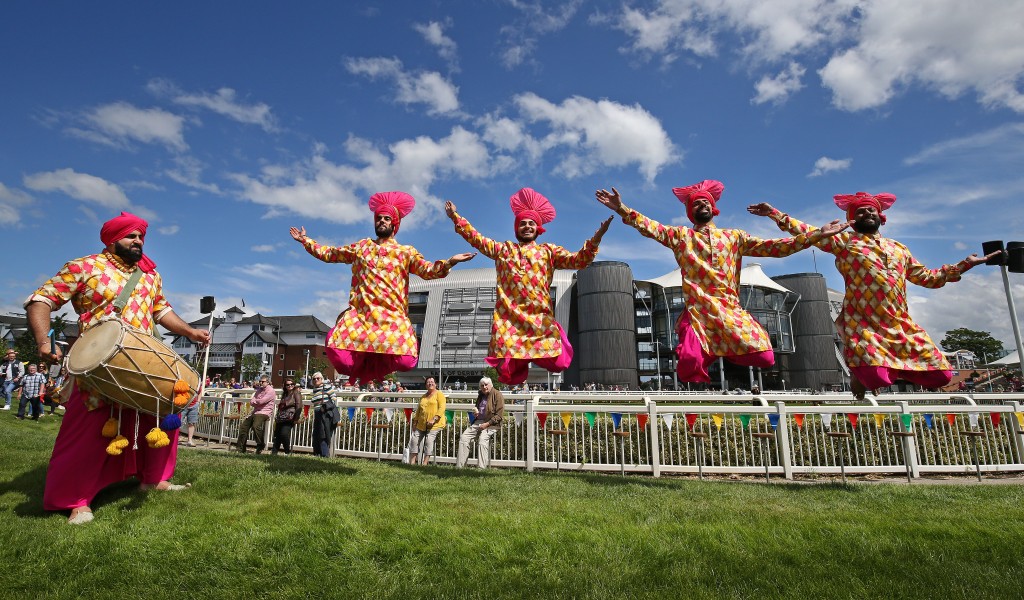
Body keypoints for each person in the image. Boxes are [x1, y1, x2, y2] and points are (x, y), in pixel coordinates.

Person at [25, 211, 210, 524]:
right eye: (131, 236)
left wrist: (190, 332)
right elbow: (41, 300)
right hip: (98, 364)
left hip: (144, 360)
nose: (138, 241)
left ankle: (154, 479)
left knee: (163, 415)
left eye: (141, 236)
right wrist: (44, 342)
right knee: (87, 433)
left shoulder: (150, 275)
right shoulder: (82, 267)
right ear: (112, 238)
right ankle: (76, 501)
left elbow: (161, 310)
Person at [749, 192, 996, 399]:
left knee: (941, 376)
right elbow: (809, 232)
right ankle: (865, 375)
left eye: (871, 211)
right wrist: (775, 214)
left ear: (881, 216)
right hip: (863, 325)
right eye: (860, 212)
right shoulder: (845, 242)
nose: (867, 214)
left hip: (900, 325)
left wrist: (965, 264)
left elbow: (928, 279)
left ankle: (890, 369)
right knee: (874, 378)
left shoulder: (899, 249)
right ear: (852, 220)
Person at [595, 182, 846, 384]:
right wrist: (622, 209)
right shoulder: (681, 236)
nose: (702, 203)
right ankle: (708, 353)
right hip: (698, 316)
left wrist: (816, 235)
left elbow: (776, 248)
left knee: (766, 356)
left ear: (713, 208)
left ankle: (720, 350)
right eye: (696, 203)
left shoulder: (734, 237)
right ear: (690, 211)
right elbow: (651, 227)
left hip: (729, 312)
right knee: (689, 367)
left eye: (706, 201)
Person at [290, 191, 475, 386]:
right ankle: (361, 361)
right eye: (379, 218)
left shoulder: (405, 252)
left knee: (406, 360)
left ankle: (381, 362)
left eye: (387, 218)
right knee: (342, 360)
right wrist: (306, 241)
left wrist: (449, 263)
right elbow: (331, 254)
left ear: (394, 224)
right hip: (362, 317)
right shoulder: (361, 247)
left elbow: (428, 270)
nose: (382, 221)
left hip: (392, 318)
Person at [445, 188, 612, 385]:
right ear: (517, 228)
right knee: (508, 373)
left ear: (538, 228)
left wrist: (596, 239)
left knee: (559, 362)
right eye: (522, 223)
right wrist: (455, 217)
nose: (527, 226)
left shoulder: (549, 251)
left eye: (531, 223)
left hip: (539, 319)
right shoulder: (504, 250)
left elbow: (579, 261)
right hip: (509, 320)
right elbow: (477, 239)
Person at [456, 377, 505, 469]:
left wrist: (487, 424)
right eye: (482, 385)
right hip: (478, 422)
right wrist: (476, 413)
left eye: (486, 385)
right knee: (464, 437)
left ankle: (481, 467)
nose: (484, 387)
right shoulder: (480, 395)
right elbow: (478, 408)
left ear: (491, 385)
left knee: (482, 439)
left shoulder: (497, 395)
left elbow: (499, 415)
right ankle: (460, 466)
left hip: (491, 424)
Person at [408, 377, 446, 466]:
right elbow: (418, 411)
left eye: (432, 382)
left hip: (435, 424)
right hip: (421, 424)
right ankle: (412, 462)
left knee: (429, 440)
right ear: (425, 385)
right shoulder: (423, 396)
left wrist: (434, 419)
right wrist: (415, 422)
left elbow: (442, 408)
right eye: (428, 382)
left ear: (435, 384)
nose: (430, 383)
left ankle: (425, 463)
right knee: (414, 439)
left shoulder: (439, 394)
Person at [236, 375, 276, 454]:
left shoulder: (271, 391)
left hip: (265, 412)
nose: (260, 383)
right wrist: (257, 402)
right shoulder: (259, 390)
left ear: (267, 382)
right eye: (260, 381)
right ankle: (240, 448)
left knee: (256, 426)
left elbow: (261, 401)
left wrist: (256, 402)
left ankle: (260, 444)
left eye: (262, 381)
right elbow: (252, 401)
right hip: (255, 412)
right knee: (243, 427)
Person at [309, 372, 340, 457]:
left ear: (322, 379)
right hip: (317, 413)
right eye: (314, 379)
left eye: (318, 378)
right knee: (316, 433)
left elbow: (333, 398)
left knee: (323, 434)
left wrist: (325, 406)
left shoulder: (326, 387)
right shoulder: (315, 389)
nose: (316, 380)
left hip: (325, 413)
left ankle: (324, 454)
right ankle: (317, 453)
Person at [272, 378, 303, 455]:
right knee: (277, 435)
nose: (290, 386)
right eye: (288, 385)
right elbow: (280, 407)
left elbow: (299, 405)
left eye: (292, 384)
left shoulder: (296, 392)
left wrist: (296, 418)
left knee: (284, 434)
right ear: (285, 386)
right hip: (281, 417)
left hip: (290, 417)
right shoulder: (285, 394)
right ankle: (274, 452)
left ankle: (287, 451)